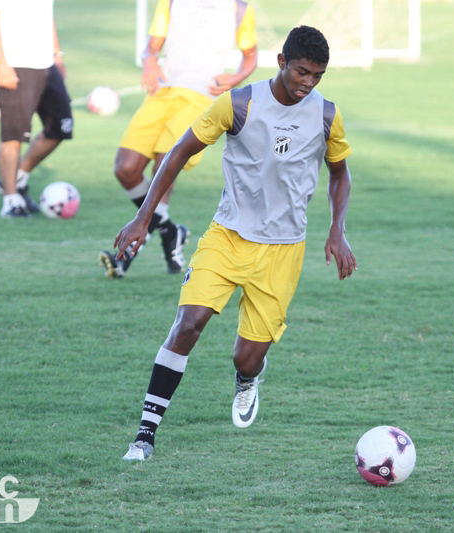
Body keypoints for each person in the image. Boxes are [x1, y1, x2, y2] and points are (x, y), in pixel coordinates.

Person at [114, 26, 357, 461]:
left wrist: (337, 228)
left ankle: (248, 380)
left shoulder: (325, 115)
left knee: (246, 359)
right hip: (227, 236)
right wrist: (142, 217)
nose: (308, 83)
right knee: (187, 325)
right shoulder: (239, 104)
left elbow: (339, 172)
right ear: (281, 62)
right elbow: (179, 151)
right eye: (302, 72)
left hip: (283, 250)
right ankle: (145, 435)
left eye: (317, 76)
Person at [99, 0, 258, 277]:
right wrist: (149, 59)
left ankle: (124, 259)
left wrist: (236, 78)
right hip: (161, 92)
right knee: (125, 168)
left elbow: (251, 55)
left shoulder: (239, 8)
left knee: (164, 168)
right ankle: (171, 232)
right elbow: (152, 45)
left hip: (199, 99)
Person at [0, 0, 74, 218]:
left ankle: (18, 178)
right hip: (15, 64)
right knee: (13, 136)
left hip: (46, 64)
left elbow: (46, 15)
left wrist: (57, 54)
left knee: (61, 127)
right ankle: (11, 200)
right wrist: (2, 64)